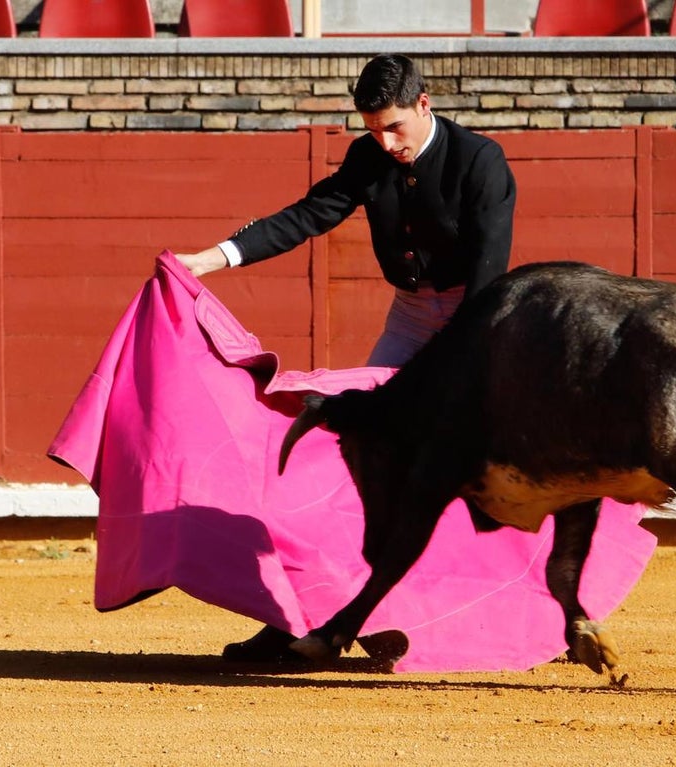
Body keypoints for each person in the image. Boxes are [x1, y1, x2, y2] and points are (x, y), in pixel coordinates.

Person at [175, 53, 517, 665]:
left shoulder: (479, 162)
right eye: (372, 129)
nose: (385, 143)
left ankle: (535, 612)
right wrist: (213, 259)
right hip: (411, 318)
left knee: (475, 476)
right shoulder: (368, 158)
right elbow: (308, 216)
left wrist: (447, 377)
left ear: (424, 104)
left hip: (476, 327)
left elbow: (490, 285)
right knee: (353, 457)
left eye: (394, 129)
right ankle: (316, 612)